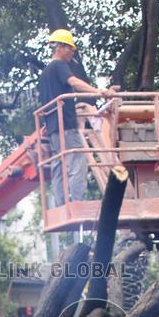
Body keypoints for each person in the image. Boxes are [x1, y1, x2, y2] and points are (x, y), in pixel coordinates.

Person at [38, 29, 115, 206]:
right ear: (60, 47)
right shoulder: (59, 66)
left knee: (59, 166)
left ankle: (62, 205)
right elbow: (73, 82)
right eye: (70, 49)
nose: (72, 53)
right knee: (78, 161)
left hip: (53, 129)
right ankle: (77, 204)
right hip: (65, 125)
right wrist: (99, 92)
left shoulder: (44, 75)